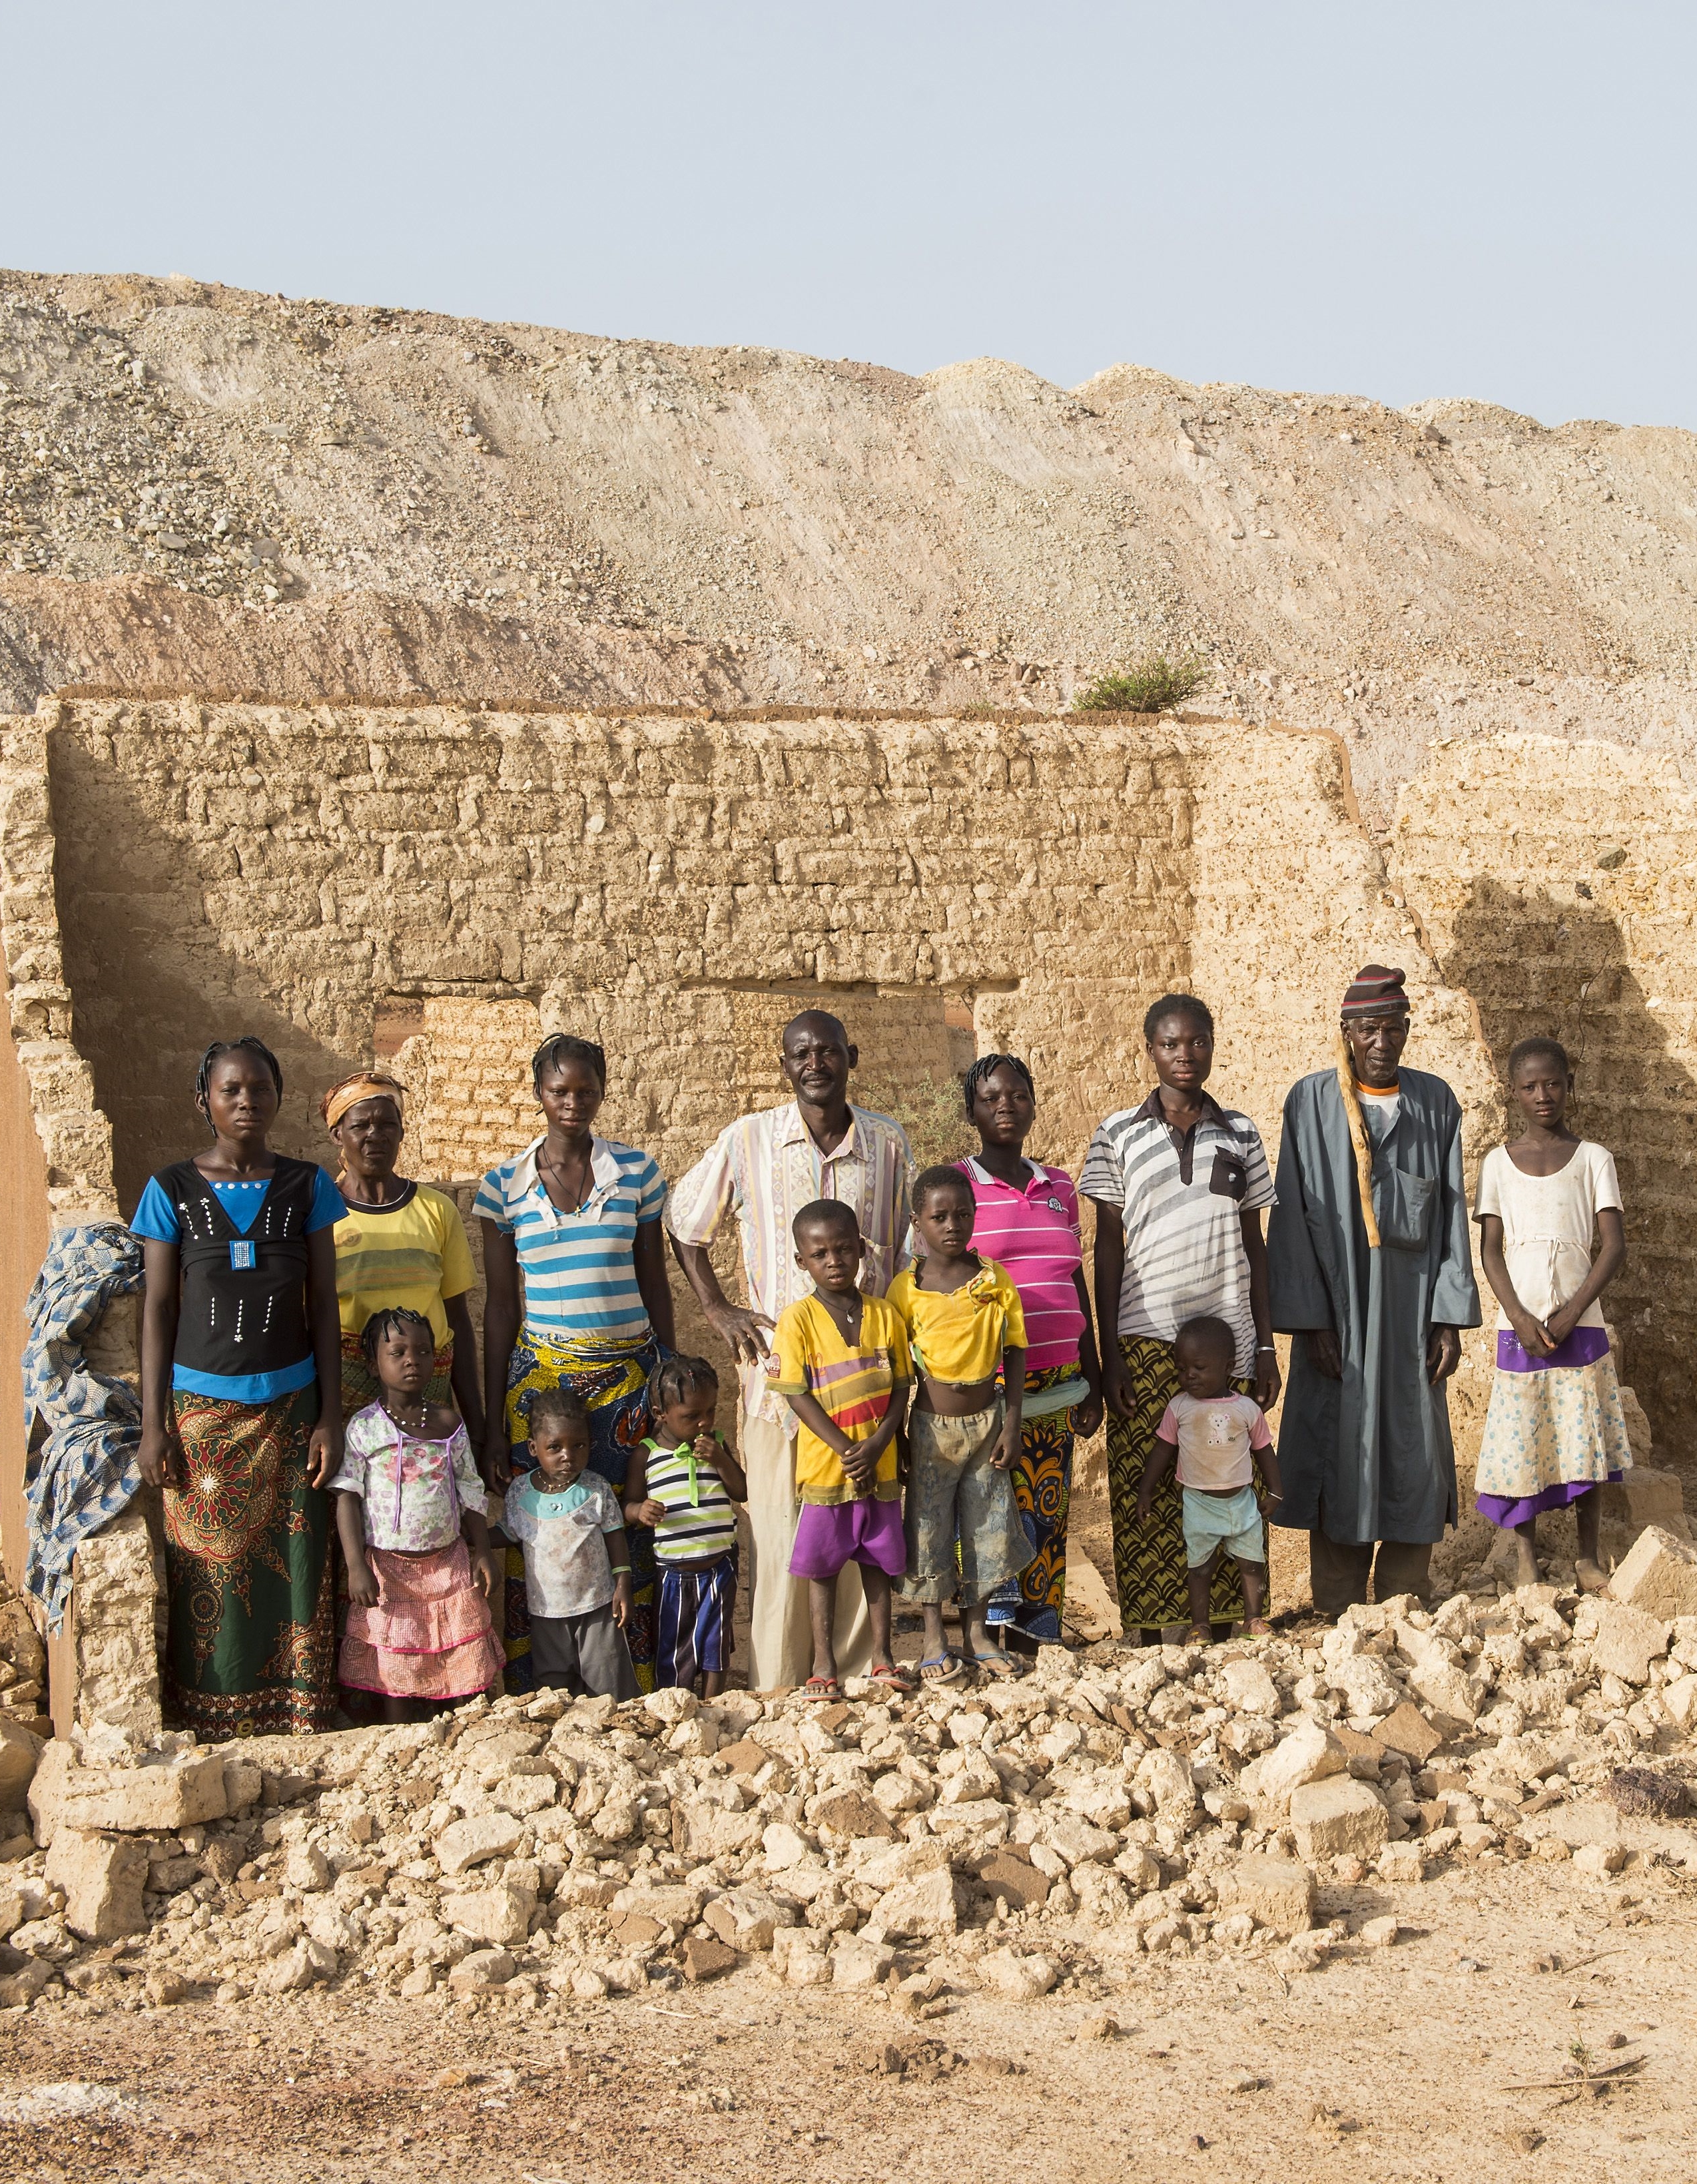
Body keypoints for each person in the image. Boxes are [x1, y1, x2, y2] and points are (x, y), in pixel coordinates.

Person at [667, 1010, 913, 1690]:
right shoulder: (748, 1141)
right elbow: (684, 1221)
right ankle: (780, 1687)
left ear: (849, 1056)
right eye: (800, 1053)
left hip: (866, 1400)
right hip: (782, 1395)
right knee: (781, 1543)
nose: (815, 1064)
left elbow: (906, 1252)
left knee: (862, 1543)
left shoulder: (887, 1145)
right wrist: (717, 1309)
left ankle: (862, 1678)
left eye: (827, 1051)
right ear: (785, 1064)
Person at [133, 1037, 348, 1736]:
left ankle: (297, 1713)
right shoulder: (171, 1190)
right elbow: (159, 1308)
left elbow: (323, 1304)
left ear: (277, 1097)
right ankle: (210, 1714)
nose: (247, 1101)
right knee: (209, 1571)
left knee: (296, 1560)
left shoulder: (306, 1186)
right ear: (206, 1101)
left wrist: (330, 1417)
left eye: (259, 1088)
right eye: (231, 1090)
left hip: (293, 1410)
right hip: (203, 1414)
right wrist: (154, 1424)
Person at [1267, 964, 1481, 1615]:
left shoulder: (1435, 1103)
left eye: (1392, 1028)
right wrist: (1312, 1324)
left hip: (1411, 1320)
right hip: (1337, 1321)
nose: (1381, 1041)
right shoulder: (1309, 1103)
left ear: (1408, 1031)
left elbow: (1447, 1213)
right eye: (1368, 1029)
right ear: (1347, 1034)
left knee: (1415, 1450)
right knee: (1338, 1449)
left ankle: (1402, 1599)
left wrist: (1447, 1318)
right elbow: (1292, 1217)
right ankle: (1334, 1606)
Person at [475, 1033, 674, 1692]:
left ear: (602, 1090)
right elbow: (500, 1307)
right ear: (539, 1093)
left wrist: (665, 1376)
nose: (572, 1102)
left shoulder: (636, 1174)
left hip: (628, 1384)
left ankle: (634, 1681)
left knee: (629, 1521)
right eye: (559, 1090)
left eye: (585, 1089)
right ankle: (542, 1684)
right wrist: (495, 1418)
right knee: (544, 1534)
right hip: (541, 1389)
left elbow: (654, 1281)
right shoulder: (503, 1186)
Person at [1081, 994, 1279, 1643]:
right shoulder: (1116, 1134)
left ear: (1211, 1045)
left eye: (1196, 1042)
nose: (1184, 1055)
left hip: (1228, 1343)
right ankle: (1149, 1635)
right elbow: (1106, 1247)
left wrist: (1267, 1347)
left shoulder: (1242, 1132)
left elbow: (1256, 1244)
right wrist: (1109, 1354)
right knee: (1151, 1484)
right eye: (1170, 1044)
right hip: (1144, 1339)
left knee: (1227, 1482)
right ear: (1150, 1051)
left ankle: (1227, 1627)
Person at [954, 1053, 1104, 1649]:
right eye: (990, 1098)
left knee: (1048, 1511)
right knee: (992, 1513)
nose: (1005, 1107)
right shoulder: (956, 1186)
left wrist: (1091, 1372)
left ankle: (1036, 1642)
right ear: (971, 1111)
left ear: (1034, 1104)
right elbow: (938, 1281)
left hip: (1059, 1380)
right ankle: (986, 1645)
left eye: (1017, 1095)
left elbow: (1074, 1279)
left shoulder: (1059, 1185)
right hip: (990, 1384)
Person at [1473, 1037, 1630, 1591]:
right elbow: (1491, 1250)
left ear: (1570, 1085)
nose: (1543, 1095)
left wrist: (1573, 1311)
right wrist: (1517, 1315)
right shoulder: (1498, 1164)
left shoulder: (1593, 1160)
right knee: (1524, 1440)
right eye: (1530, 1086)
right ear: (1514, 1093)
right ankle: (1526, 1560)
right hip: (1522, 1328)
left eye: (1553, 1083)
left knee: (1583, 1435)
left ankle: (1588, 1558)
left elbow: (1612, 1246)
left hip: (1579, 1325)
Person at [887, 1167, 1033, 1682]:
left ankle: (978, 1635)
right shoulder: (905, 1289)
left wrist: (1011, 1423)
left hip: (988, 1427)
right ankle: (933, 1638)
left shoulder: (993, 1280)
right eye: (939, 1216)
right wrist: (901, 1437)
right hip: (930, 1429)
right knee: (927, 1529)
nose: (953, 1225)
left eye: (963, 1214)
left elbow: (1014, 1350)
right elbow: (897, 1369)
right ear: (916, 1223)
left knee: (985, 1528)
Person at [769, 1201, 915, 1699]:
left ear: (861, 1251)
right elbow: (794, 1391)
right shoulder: (797, 1321)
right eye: (820, 1253)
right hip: (827, 1469)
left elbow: (900, 1386)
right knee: (822, 1567)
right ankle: (823, 1665)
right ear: (801, 1261)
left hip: (881, 1462)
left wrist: (878, 1443)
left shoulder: (884, 1315)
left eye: (844, 1249)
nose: (834, 1261)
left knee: (877, 1562)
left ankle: (882, 1656)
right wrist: (846, 1449)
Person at [330, 1306, 502, 1719]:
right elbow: (347, 1498)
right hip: (389, 1571)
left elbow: (470, 1491)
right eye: (398, 1352)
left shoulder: (447, 1423)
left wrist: (482, 1551)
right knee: (397, 1660)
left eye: (424, 1351)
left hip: (448, 1565)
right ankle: (399, 1735)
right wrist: (356, 1566)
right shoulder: (363, 1428)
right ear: (373, 1365)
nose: (412, 1360)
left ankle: (470, 1731)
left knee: (462, 1653)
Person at [321, 1069, 484, 1436]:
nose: (374, 1135)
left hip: (429, 1394)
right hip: (346, 1395)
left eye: (387, 1125)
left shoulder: (437, 1210)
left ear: (402, 1132)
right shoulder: (321, 1215)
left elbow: (456, 1317)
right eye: (361, 1125)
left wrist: (476, 1425)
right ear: (337, 1135)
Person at [1136, 1315, 1282, 1641]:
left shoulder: (1247, 1409)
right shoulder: (1179, 1408)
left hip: (1241, 1502)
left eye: (1198, 1368)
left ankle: (1254, 1620)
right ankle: (1200, 1625)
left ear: (1228, 1366)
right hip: (1199, 1504)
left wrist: (1276, 1491)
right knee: (1200, 1568)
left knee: (1252, 1563)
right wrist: (1145, 1491)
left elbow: (1264, 1451)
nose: (1188, 1375)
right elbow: (1162, 1452)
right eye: (1182, 1368)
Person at [500, 1385, 639, 1699]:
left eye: (579, 1445)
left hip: (598, 1607)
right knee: (554, 1688)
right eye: (555, 1448)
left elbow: (615, 1539)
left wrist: (623, 1585)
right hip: (546, 1612)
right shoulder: (522, 1493)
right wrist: (469, 1537)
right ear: (534, 1448)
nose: (568, 1456)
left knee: (608, 1683)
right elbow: (508, 1533)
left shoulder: (595, 1489)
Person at [623, 1354, 747, 1697]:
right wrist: (639, 1511)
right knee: (675, 1646)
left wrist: (720, 1458)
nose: (704, 1423)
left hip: (720, 1567)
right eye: (692, 1416)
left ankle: (713, 1704)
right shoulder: (647, 1455)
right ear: (661, 1415)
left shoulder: (715, 1445)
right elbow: (626, 1507)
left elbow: (741, 1490)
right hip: (675, 1572)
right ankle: (675, 1705)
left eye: (710, 1412)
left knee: (716, 1643)